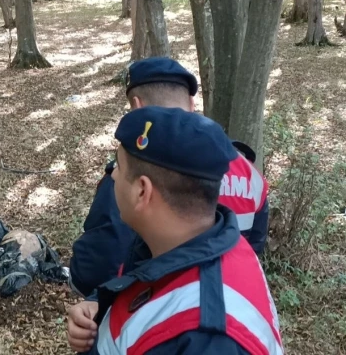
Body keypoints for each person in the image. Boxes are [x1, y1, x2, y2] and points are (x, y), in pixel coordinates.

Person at [67, 106, 283, 354]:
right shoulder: (201, 241)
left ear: (142, 191)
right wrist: (101, 306)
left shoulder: (207, 338)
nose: (113, 175)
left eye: (119, 166)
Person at [69, 57, 269, 298]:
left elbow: (100, 259)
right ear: (192, 103)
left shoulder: (136, 171)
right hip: (233, 294)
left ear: (137, 105)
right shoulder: (248, 171)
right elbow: (254, 246)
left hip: (153, 304)